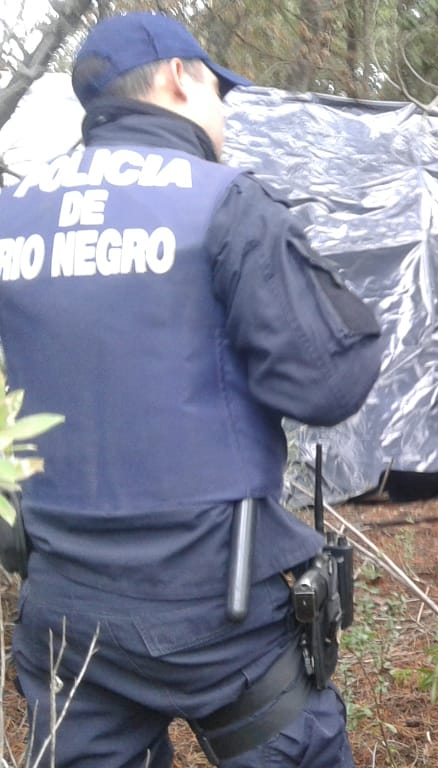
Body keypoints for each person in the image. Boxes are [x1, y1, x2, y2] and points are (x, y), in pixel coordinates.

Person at [0, 13, 383, 767]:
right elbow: (327, 382)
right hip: (218, 611)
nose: (225, 117)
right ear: (179, 77)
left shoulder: (14, 215)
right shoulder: (224, 202)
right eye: (219, 92)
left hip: (65, 606)